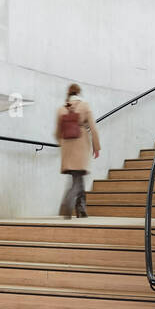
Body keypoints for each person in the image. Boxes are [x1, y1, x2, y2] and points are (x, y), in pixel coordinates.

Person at [55, 83, 100, 219]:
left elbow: (57, 132)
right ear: (78, 93)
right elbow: (93, 127)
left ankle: (81, 209)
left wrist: (62, 145)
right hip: (80, 145)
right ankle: (67, 203)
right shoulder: (84, 106)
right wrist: (96, 146)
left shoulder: (61, 109)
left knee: (77, 177)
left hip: (67, 147)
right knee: (77, 178)